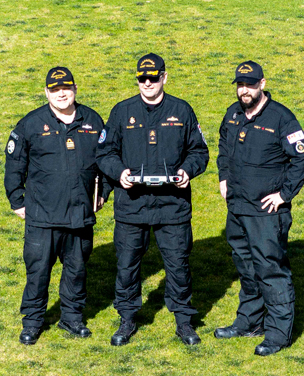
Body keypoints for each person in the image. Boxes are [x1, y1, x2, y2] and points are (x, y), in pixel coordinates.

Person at [96, 53, 209, 346]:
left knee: (178, 264)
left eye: (153, 77)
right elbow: (105, 152)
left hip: (173, 205)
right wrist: (119, 173)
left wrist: (187, 171)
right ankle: (127, 318)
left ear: (164, 77)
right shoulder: (121, 112)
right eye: (142, 78)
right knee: (127, 264)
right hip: (132, 204)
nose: (148, 83)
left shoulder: (182, 110)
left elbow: (200, 152)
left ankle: (184, 322)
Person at [4, 66, 111, 345]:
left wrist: (104, 193)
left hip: (79, 215)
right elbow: (15, 164)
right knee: (38, 272)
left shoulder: (93, 121)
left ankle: (72, 319)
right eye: (55, 89)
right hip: (42, 216)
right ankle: (33, 322)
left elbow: (109, 159)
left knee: (76, 270)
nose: (61, 94)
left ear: (75, 89)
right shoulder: (31, 123)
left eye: (66, 88)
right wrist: (17, 199)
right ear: (46, 92)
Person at [215, 61, 304, 356]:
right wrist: (223, 177)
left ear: (262, 83)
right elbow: (222, 144)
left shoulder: (281, 118)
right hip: (238, 208)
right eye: (240, 84)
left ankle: (278, 335)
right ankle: (249, 322)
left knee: (270, 270)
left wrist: (284, 194)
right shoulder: (233, 114)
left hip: (267, 213)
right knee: (246, 268)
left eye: (250, 84)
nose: (244, 90)